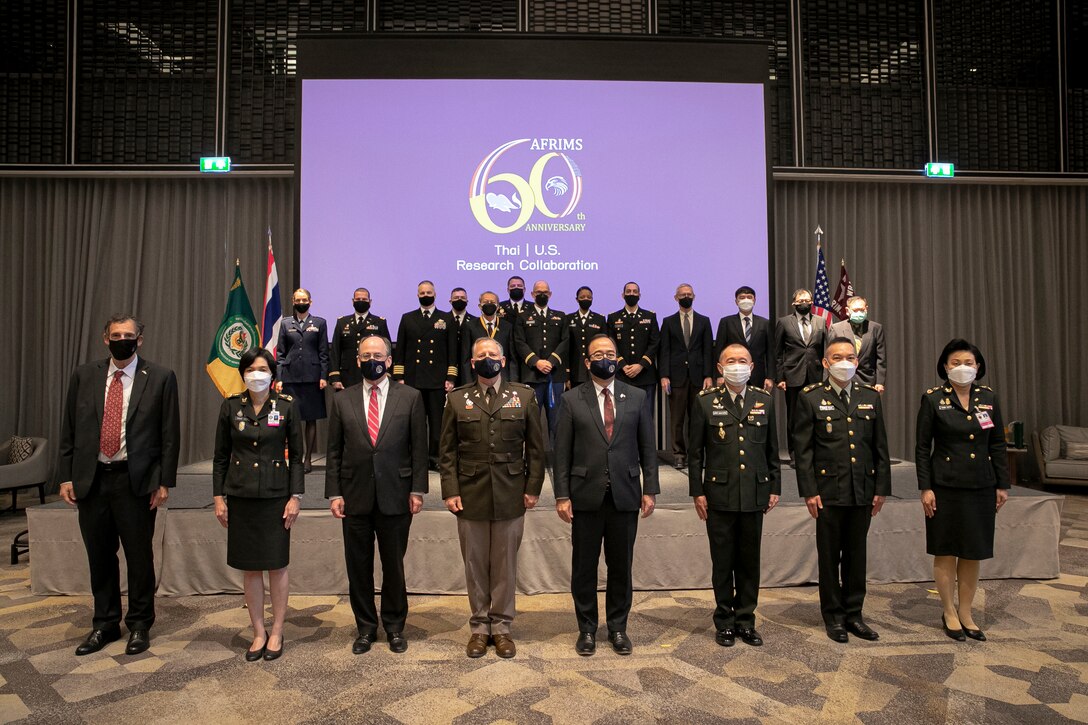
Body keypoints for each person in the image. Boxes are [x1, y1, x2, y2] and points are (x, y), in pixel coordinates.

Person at [57, 314, 180, 656]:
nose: (121, 339)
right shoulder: (84, 376)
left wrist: (164, 481)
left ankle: (140, 624)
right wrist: (65, 475)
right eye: (116, 334)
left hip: (135, 481)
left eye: (128, 335)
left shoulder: (160, 377)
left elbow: (170, 435)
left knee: (139, 557)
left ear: (139, 340)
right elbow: (69, 428)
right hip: (92, 480)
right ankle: (105, 623)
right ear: (104, 338)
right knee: (99, 555)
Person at [439, 337, 545, 659]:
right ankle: (479, 627)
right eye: (481, 355)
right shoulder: (457, 399)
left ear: (502, 359)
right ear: (472, 363)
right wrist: (450, 489)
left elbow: (538, 450)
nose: (487, 358)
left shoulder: (524, 396)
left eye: (492, 353)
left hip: (511, 492)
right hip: (470, 494)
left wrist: (533, 488)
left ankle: (501, 628)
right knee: (474, 564)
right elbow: (446, 452)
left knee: (504, 565)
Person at [554, 334, 659, 656]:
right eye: (598, 354)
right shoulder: (572, 399)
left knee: (620, 567)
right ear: (587, 362)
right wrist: (561, 495)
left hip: (625, 495)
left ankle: (617, 628)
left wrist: (650, 488)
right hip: (585, 496)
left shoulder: (637, 397)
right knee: (584, 568)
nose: (605, 358)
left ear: (618, 358)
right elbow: (562, 453)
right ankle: (586, 629)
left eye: (610, 353)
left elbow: (647, 447)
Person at [326, 335, 428, 654]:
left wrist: (417, 489)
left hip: (396, 494)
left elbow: (419, 449)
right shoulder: (342, 400)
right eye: (365, 354)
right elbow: (333, 451)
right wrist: (334, 493)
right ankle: (366, 628)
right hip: (354, 495)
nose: (372, 359)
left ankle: (395, 626)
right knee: (358, 566)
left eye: (378, 354)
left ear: (388, 359)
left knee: (393, 566)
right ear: (357, 360)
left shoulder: (410, 397)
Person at [793, 337, 890, 643]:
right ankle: (833, 616)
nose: (844, 362)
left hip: (861, 489)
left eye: (849, 357)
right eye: (837, 357)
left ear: (858, 362)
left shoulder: (869, 397)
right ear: (825, 363)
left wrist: (881, 488)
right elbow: (804, 450)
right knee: (829, 556)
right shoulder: (810, 397)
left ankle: (854, 614)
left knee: (856, 555)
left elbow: (880, 448)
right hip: (828, 490)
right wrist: (809, 491)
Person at [212, 348, 304, 661]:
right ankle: (258, 631)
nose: (256, 374)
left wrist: (296, 497)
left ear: (272, 373)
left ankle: (277, 629)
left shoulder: (287, 406)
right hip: (241, 496)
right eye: (250, 368)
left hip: (277, 497)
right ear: (243, 373)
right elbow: (221, 457)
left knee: (277, 566)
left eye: (262, 368)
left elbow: (299, 456)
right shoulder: (230, 406)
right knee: (250, 569)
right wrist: (218, 497)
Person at [916, 339, 1010, 642]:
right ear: (945, 367)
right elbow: (921, 448)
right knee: (946, 551)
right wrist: (925, 488)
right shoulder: (933, 399)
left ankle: (966, 611)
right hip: (944, 486)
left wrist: (1002, 484)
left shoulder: (989, 397)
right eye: (955, 363)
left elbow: (997, 444)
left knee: (972, 552)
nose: (962, 368)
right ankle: (948, 611)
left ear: (978, 367)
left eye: (968, 363)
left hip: (981, 484)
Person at [688, 343, 780, 647]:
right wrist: (697, 491)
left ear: (752, 367)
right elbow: (694, 453)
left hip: (754, 492)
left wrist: (774, 487)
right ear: (720, 367)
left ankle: (746, 620)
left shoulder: (764, 401)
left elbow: (771, 450)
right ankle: (724, 621)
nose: (737, 365)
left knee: (749, 562)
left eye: (742, 361)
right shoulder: (704, 401)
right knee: (723, 561)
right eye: (731, 361)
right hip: (719, 494)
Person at [392, 280, 458, 469]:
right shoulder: (407, 318)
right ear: (417, 295)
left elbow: (452, 351)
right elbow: (401, 350)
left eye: (429, 292)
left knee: (437, 424)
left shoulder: (446, 318)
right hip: (413, 380)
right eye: (422, 293)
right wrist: (399, 377)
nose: (426, 295)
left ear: (435, 294)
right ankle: (416, 459)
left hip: (437, 380)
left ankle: (435, 458)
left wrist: (451, 377)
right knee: (415, 423)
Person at [659, 283, 714, 469]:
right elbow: (664, 351)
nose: (686, 297)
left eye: (689, 294)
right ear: (676, 298)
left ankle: (696, 454)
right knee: (677, 419)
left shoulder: (704, 321)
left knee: (697, 418)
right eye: (682, 294)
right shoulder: (668, 322)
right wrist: (664, 375)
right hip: (676, 378)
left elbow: (708, 350)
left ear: (694, 296)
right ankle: (679, 455)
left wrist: (709, 375)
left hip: (699, 377)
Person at [274, 288, 329, 473]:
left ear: (310, 302)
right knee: (291, 419)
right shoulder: (285, 323)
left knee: (310, 419)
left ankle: (307, 459)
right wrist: (279, 378)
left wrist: (323, 376)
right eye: (298, 299)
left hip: (312, 377)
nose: (301, 302)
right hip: (290, 377)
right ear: (293, 301)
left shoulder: (320, 323)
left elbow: (323, 353)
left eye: (304, 299)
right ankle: (295, 458)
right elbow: (280, 354)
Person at [512, 280, 568, 440]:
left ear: (550, 294)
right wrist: (536, 362)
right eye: (538, 292)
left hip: (555, 376)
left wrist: (551, 361)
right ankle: (532, 462)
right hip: (532, 376)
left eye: (545, 292)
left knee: (557, 421)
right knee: (531, 422)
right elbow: (519, 342)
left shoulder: (560, 316)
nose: (541, 294)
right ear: (532, 294)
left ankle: (559, 462)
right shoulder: (522, 317)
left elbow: (565, 341)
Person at [775, 288, 825, 461]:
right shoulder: (784, 322)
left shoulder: (820, 321)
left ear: (812, 302)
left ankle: (814, 452)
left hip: (815, 376)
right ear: (794, 303)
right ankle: (795, 454)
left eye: (807, 300)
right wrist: (780, 378)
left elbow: (825, 350)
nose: (804, 303)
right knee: (794, 417)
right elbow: (778, 353)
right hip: (792, 376)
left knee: (816, 415)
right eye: (800, 300)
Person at [606, 282, 660, 421]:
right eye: (628, 291)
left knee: (646, 418)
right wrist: (623, 365)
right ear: (623, 295)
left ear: (639, 295)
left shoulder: (650, 316)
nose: (631, 294)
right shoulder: (613, 317)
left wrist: (640, 365)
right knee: (622, 418)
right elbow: (610, 345)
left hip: (645, 375)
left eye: (635, 292)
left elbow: (655, 343)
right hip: (621, 375)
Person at [715, 286, 775, 392]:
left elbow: (770, 352)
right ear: (736, 301)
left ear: (754, 300)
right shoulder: (726, 322)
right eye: (742, 297)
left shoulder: (764, 323)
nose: (745, 300)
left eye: (749, 297)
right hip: (733, 374)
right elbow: (719, 350)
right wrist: (719, 375)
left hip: (758, 376)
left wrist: (770, 377)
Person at [330, 287, 390, 391]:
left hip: (373, 374)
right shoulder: (342, 322)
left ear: (370, 302)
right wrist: (335, 377)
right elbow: (335, 351)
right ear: (353, 301)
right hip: (347, 376)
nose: (361, 302)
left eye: (364, 300)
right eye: (358, 300)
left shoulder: (379, 322)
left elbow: (387, 350)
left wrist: (387, 374)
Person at [828, 296, 886, 392]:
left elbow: (881, 359)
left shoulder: (876, 328)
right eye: (855, 310)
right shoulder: (836, 329)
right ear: (847, 311)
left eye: (862, 310)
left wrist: (880, 382)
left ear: (866, 309)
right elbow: (830, 357)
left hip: (868, 381)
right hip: (842, 380)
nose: (859, 313)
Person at [460, 291, 515, 382]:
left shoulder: (507, 326)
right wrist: (468, 382)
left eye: (492, 302)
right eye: (485, 302)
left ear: (498, 306)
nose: (489, 304)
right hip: (477, 378)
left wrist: (513, 381)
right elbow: (465, 358)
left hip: (502, 377)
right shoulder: (470, 326)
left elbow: (512, 358)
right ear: (480, 306)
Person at [564, 286, 606, 389]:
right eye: (582, 297)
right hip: (575, 370)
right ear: (576, 299)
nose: (585, 299)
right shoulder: (568, 318)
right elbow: (566, 347)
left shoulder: (599, 319)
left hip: (595, 369)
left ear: (592, 299)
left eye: (589, 297)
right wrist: (567, 374)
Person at [449, 287, 476, 385]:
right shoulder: (444, 320)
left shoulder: (475, 322)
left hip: (467, 371)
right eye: (456, 298)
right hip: (448, 371)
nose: (459, 300)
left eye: (462, 298)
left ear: (467, 301)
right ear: (450, 301)